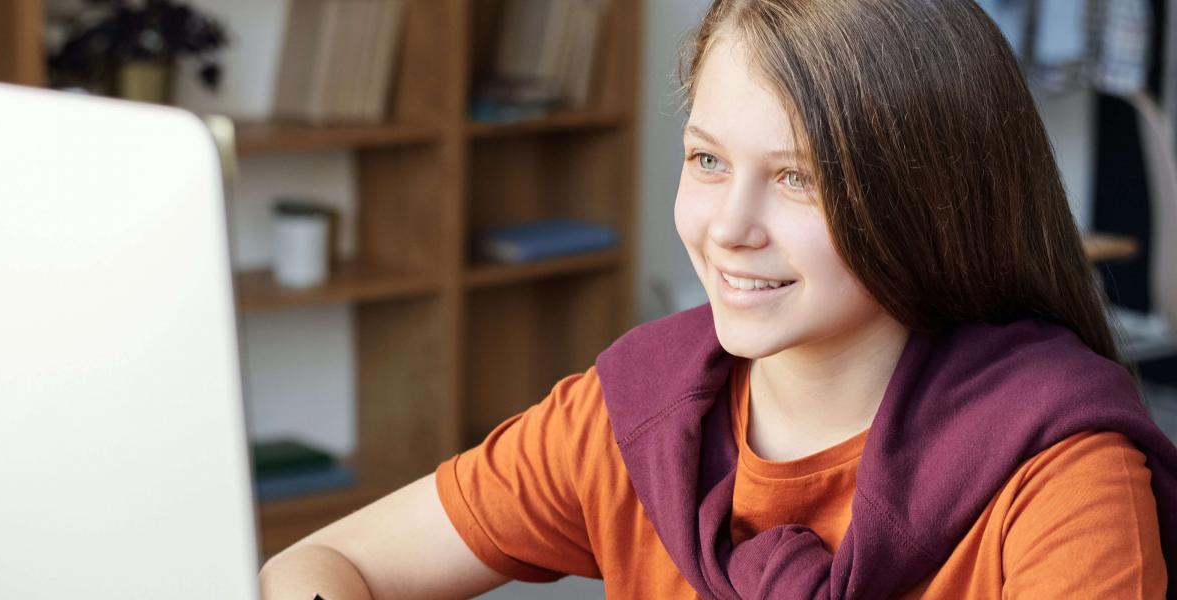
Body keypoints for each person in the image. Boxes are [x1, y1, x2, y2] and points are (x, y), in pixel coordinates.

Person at [259, 0, 1177, 597]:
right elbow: (323, 565)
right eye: (708, 160)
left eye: (799, 178)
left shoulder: (1064, 482)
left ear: (925, 197)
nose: (727, 226)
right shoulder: (639, 414)